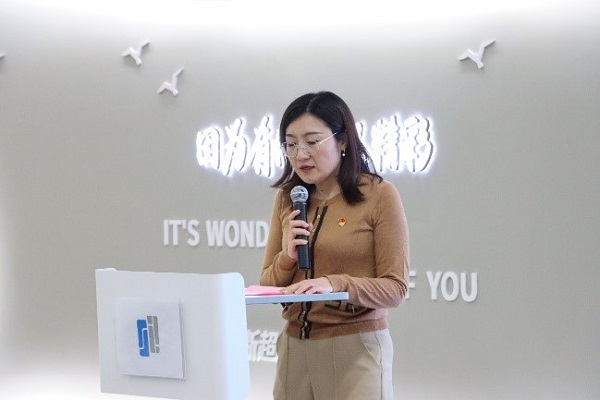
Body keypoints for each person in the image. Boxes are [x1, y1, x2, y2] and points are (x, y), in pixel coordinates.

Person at [260, 91, 410, 400]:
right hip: (294, 350)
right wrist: (287, 258)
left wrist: (335, 284)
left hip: (355, 350)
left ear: (342, 141)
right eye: (291, 144)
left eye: (312, 142)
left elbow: (395, 288)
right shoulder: (288, 198)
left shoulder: (379, 195)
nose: (301, 154)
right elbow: (267, 285)